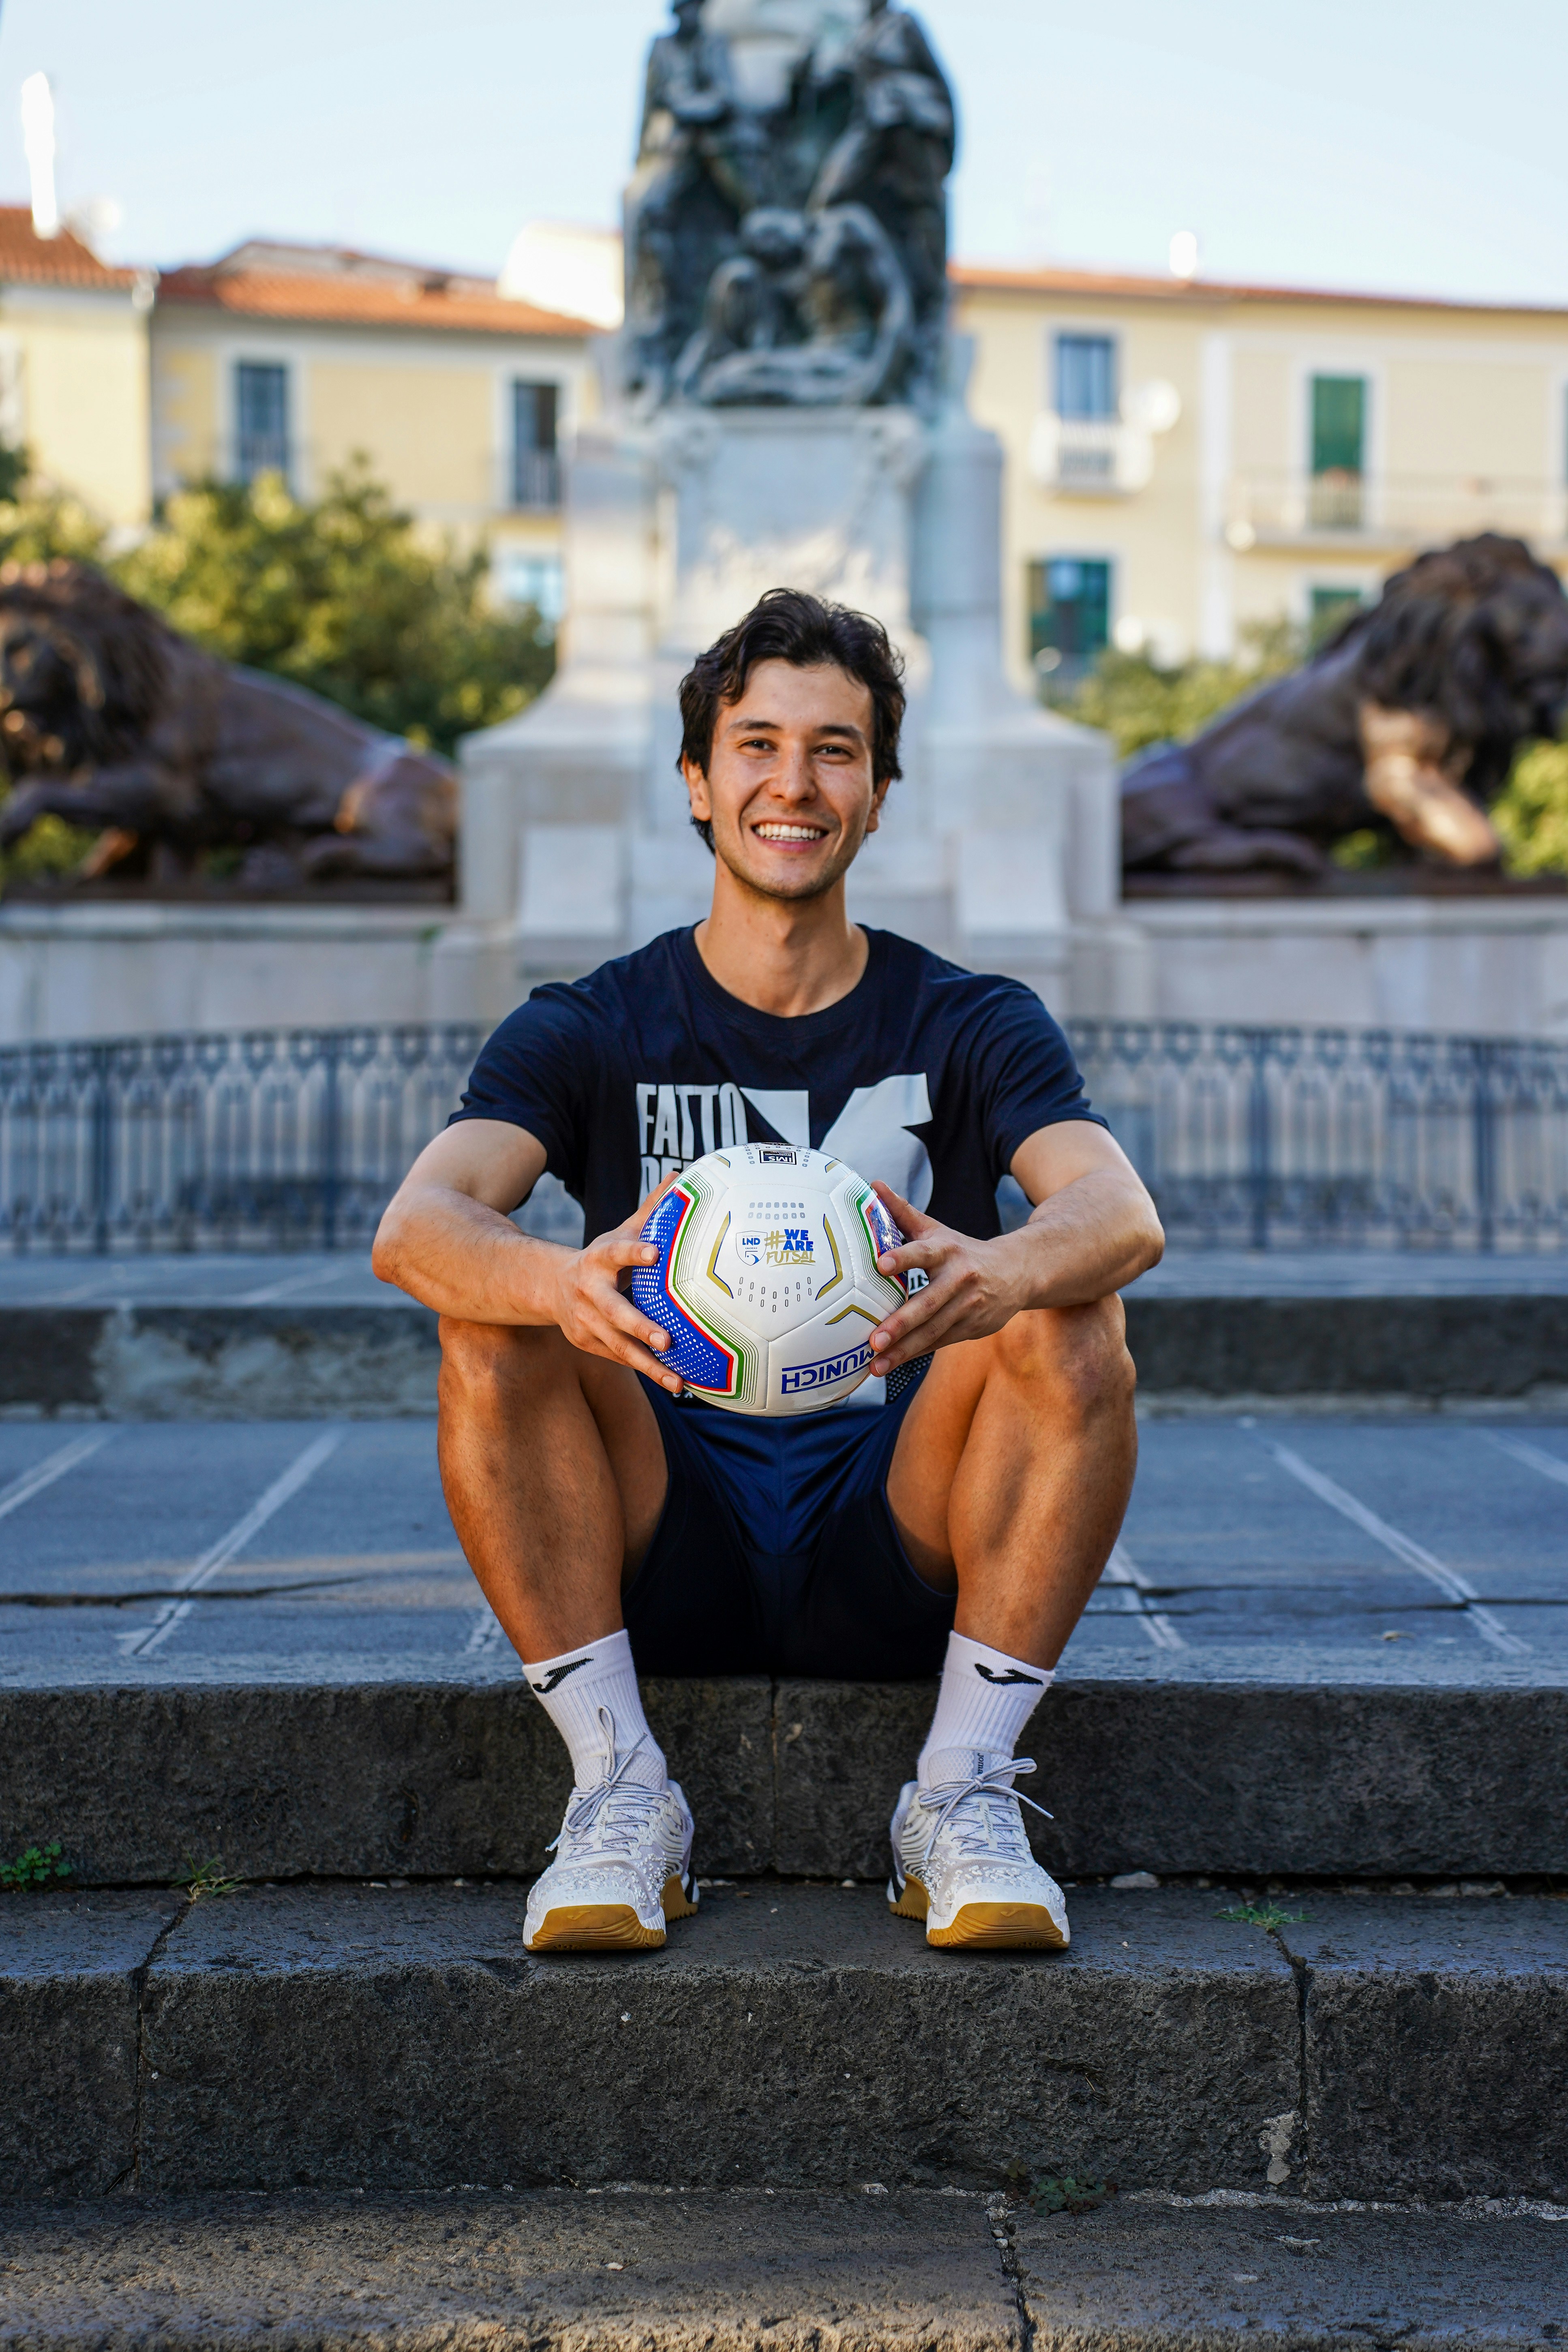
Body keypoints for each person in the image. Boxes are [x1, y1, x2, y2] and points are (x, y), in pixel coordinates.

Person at [373, 588, 1163, 1958]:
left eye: (836, 750)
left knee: (1067, 1311)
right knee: (492, 1314)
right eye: (755, 745)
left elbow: (1118, 1209)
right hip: (663, 1516)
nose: (792, 783)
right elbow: (418, 1223)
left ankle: (959, 1791)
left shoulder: (971, 1018)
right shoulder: (591, 1020)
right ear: (696, 780)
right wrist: (559, 1283)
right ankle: (620, 1786)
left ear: (878, 792)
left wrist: (1001, 1268)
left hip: (895, 1515)